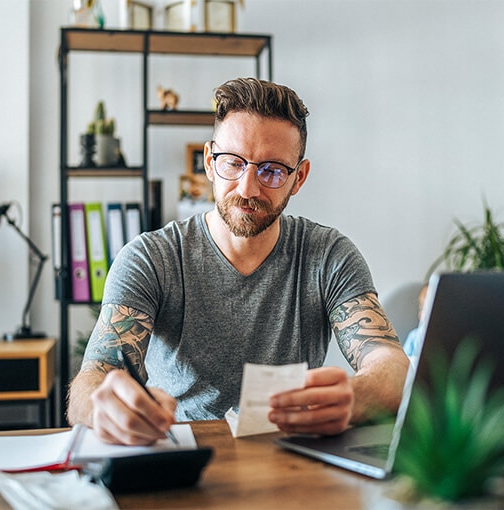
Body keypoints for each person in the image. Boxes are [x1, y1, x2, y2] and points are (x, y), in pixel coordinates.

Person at [67, 78, 410, 446]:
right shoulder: (152, 258)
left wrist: (355, 399)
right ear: (209, 162)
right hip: (181, 458)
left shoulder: (328, 256)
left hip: (292, 462)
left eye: (272, 170)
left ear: (299, 177)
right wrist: (105, 408)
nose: (248, 188)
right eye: (233, 163)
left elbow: (392, 367)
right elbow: (93, 380)